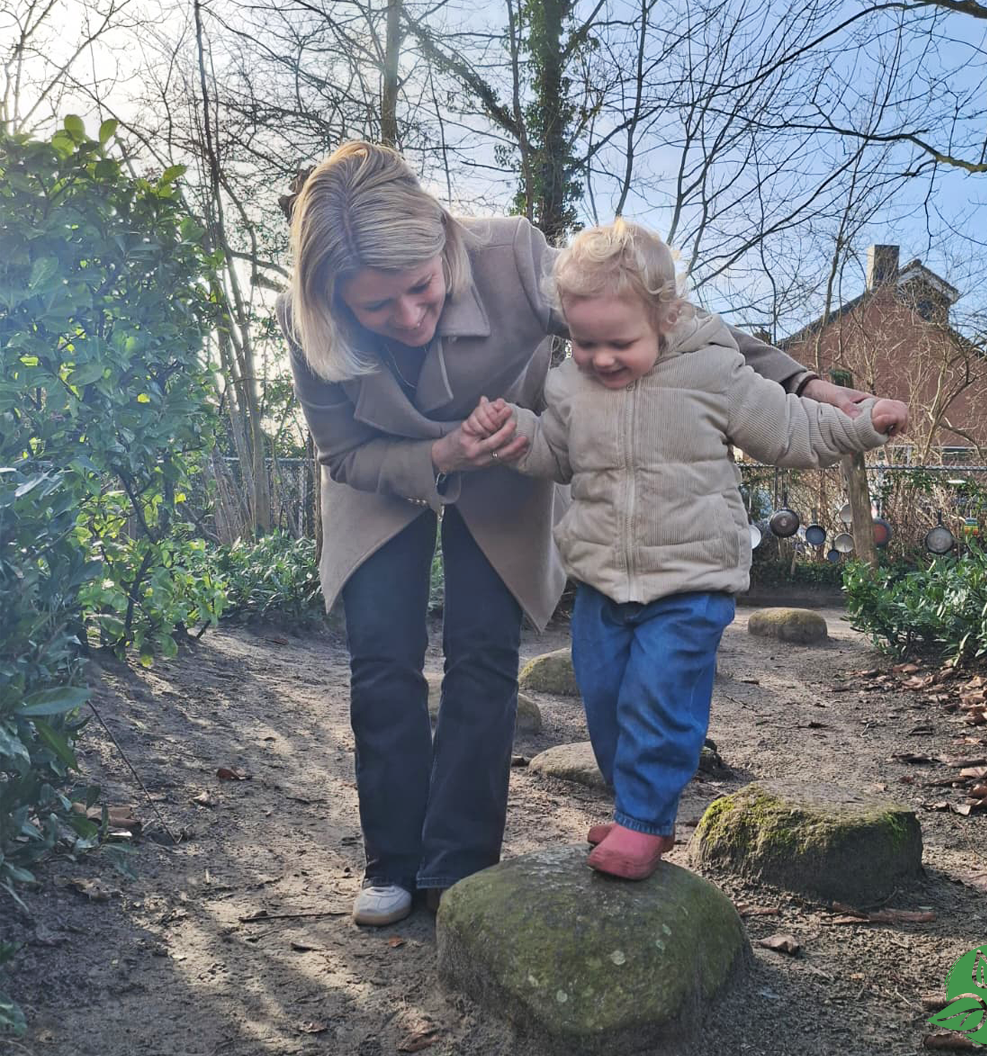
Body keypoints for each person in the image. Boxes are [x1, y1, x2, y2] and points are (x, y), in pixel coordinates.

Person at [277, 140, 906, 925]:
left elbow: (660, 317)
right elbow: (343, 454)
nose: (408, 317)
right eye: (378, 307)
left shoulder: (506, 256)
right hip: (383, 479)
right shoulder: (304, 323)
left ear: (443, 242)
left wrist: (801, 382)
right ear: (332, 302)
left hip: (510, 459)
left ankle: (458, 869)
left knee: (482, 653)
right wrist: (439, 453)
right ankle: (391, 864)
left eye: (421, 289)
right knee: (381, 663)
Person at [463, 219, 907, 880]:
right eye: (584, 342)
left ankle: (644, 821)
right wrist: (513, 433)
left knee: (660, 697)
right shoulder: (570, 385)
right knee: (606, 700)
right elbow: (556, 453)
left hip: (691, 580)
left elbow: (788, 429)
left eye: (619, 342)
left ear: (666, 316)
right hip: (603, 582)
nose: (600, 358)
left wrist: (861, 424)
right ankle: (635, 808)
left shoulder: (714, 368)